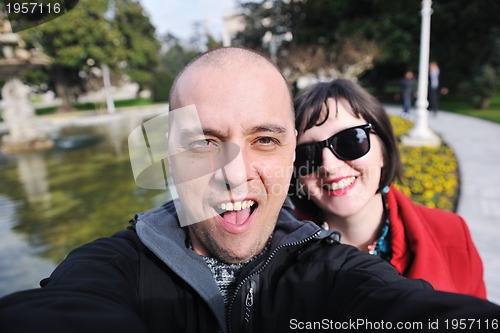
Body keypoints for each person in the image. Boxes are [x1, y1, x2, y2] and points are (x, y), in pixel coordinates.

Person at [0, 47, 499, 333]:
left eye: (264, 140)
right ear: (169, 156)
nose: (235, 174)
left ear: (286, 156)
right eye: (203, 142)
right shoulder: (108, 269)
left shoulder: (328, 265)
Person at [290, 78, 486, 299]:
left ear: (383, 149)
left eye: (350, 141)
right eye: (307, 155)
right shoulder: (279, 257)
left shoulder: (452, 234)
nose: (329, 166)